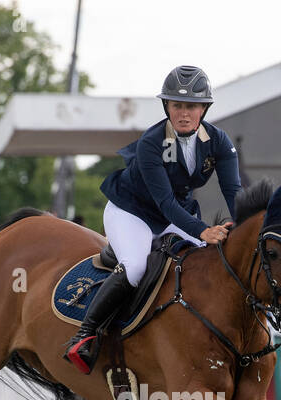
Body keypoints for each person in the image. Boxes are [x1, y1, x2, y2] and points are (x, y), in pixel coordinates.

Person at [62, 65, 241, 373]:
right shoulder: (151, 142)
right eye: (177, 105)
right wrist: (203, 230)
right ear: (167, 107)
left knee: (205, 263)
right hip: (131, 211)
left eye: (192, 106)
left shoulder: (219, 141)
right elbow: (165, 202)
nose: (184, 113)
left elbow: (233, 190)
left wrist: (242, 222)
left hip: (174, 214)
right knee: (135, 267)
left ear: (204, 108)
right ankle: (86, 335)